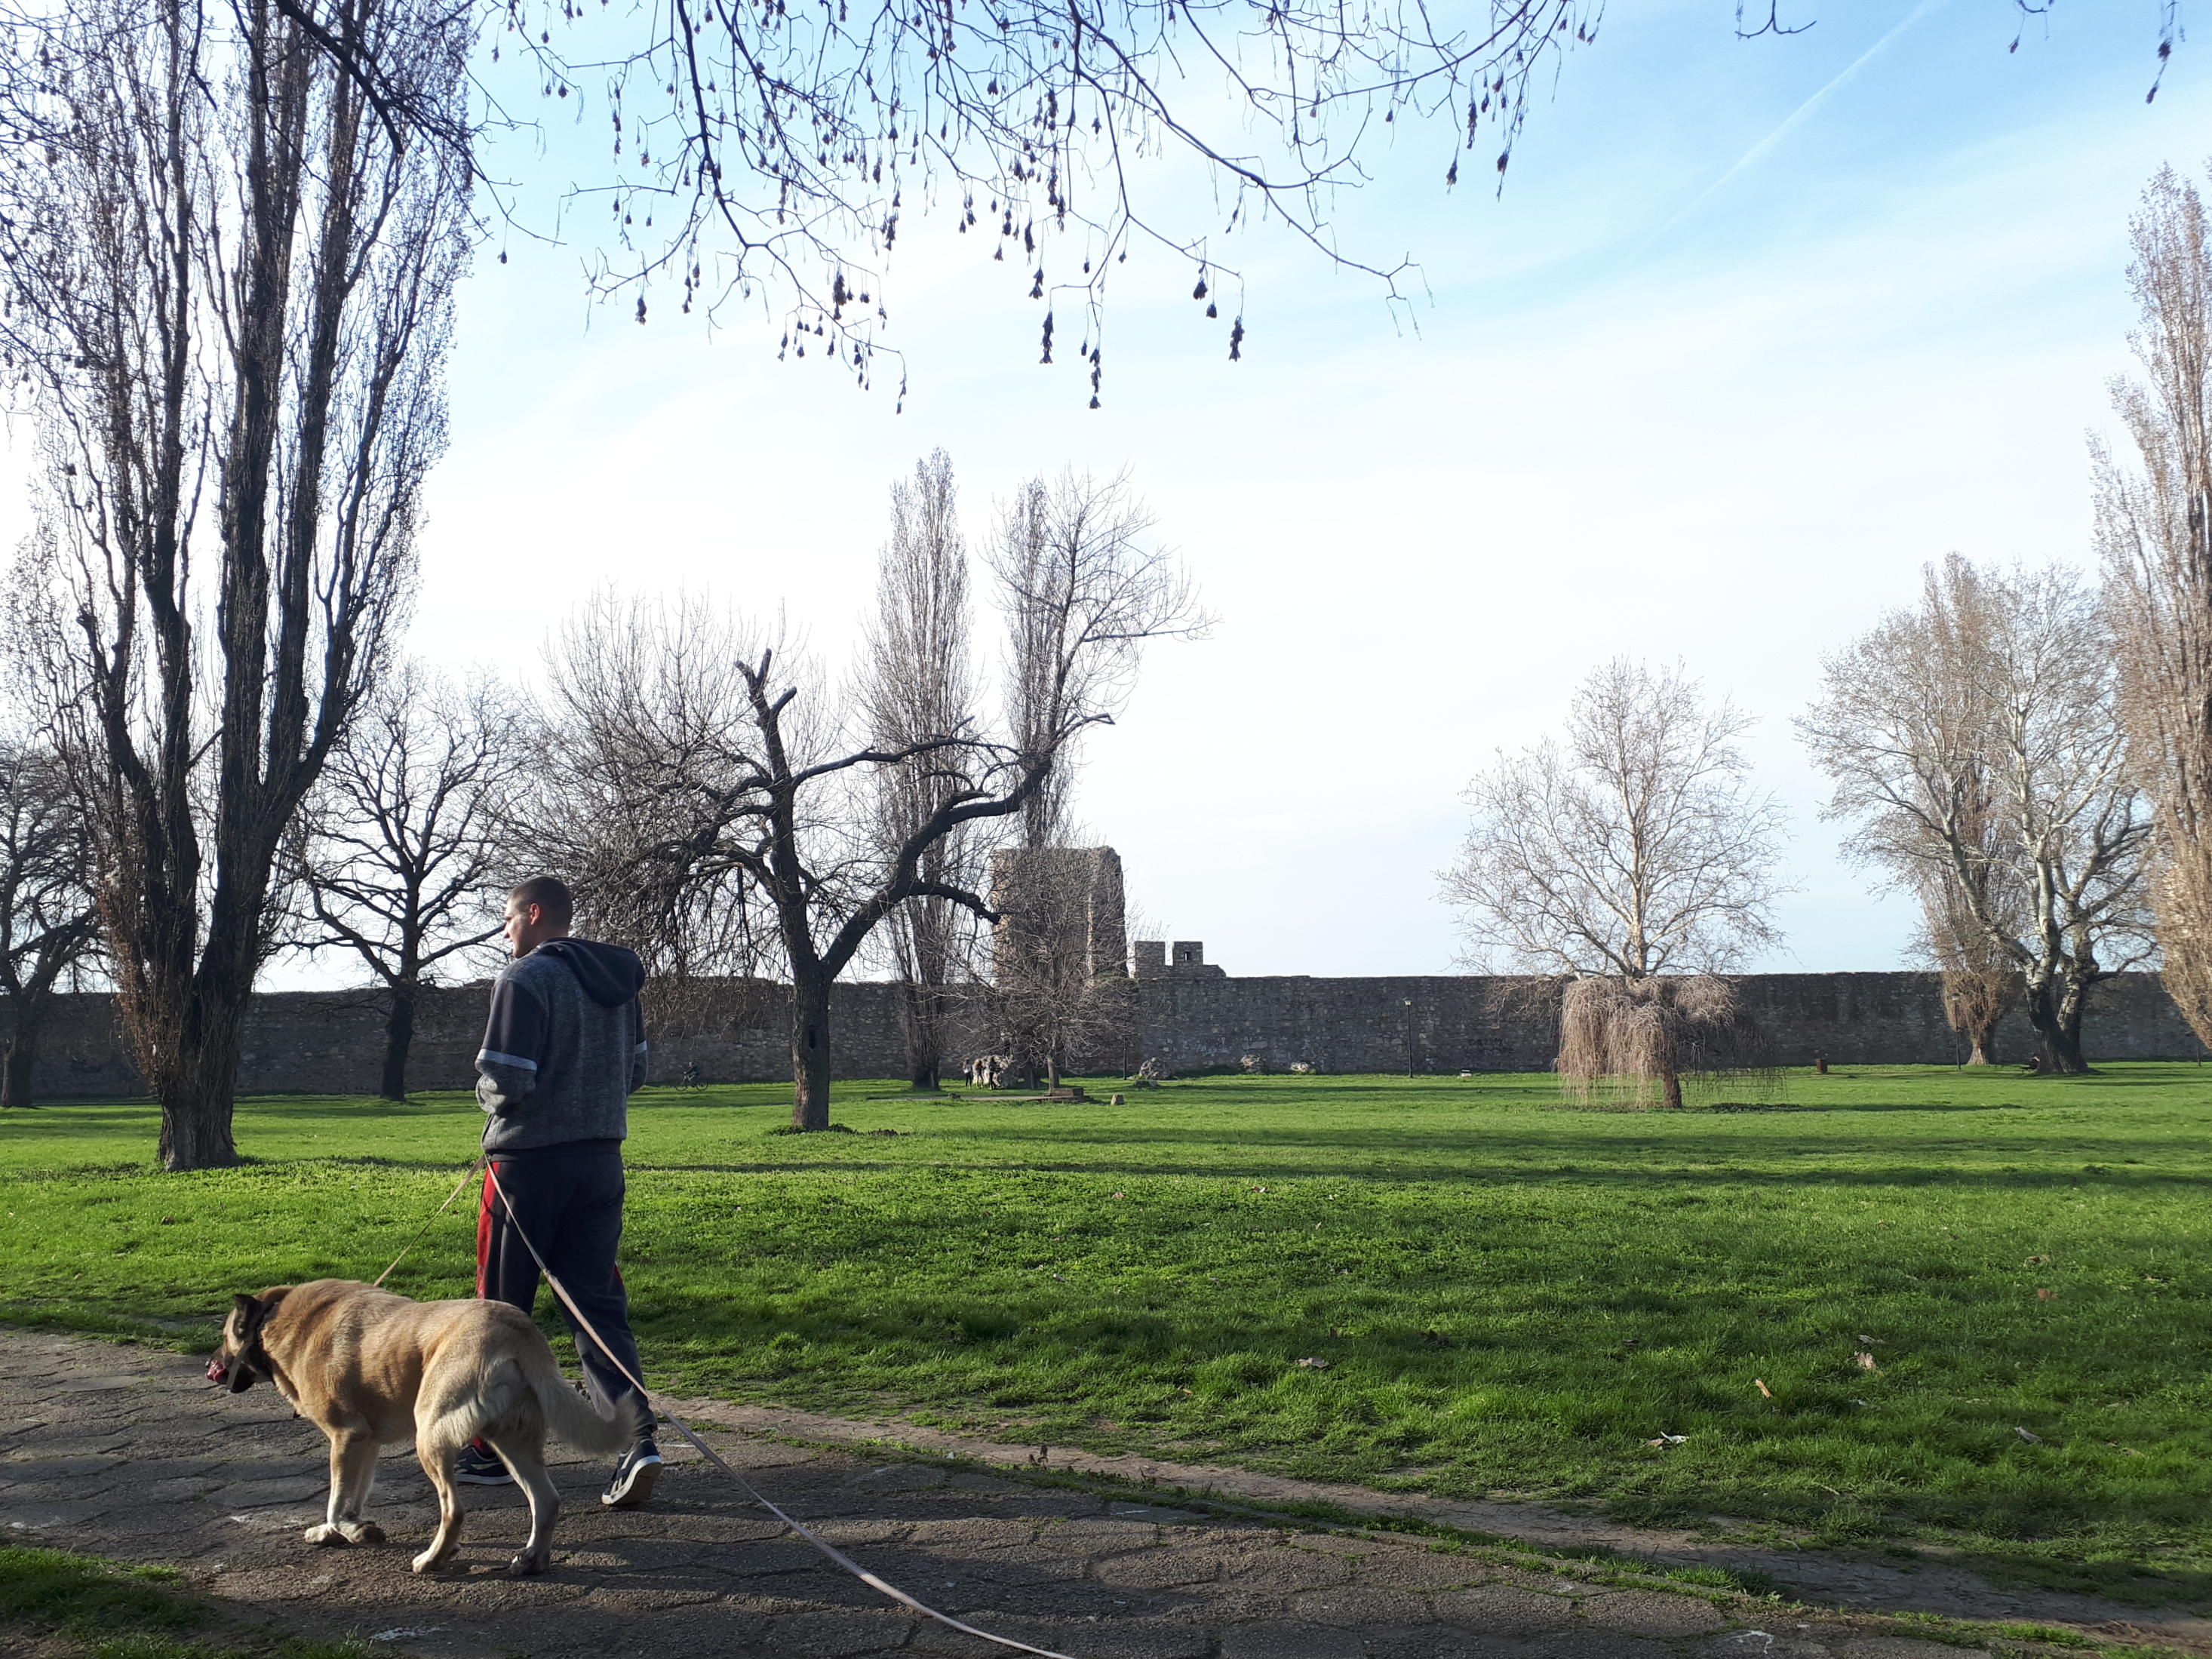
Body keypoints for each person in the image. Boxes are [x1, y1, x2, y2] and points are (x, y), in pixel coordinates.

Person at [455, 875, 661, 1509]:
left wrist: (487, 1100)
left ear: (534, 913)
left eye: (508, 917)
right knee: (597, 1306)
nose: (506, 931)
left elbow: (509, 1078)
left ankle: (490, 1451)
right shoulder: (620, 981)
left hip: (525, 1170)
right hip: (601, 1165)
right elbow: (638, 1069)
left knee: (499, 1309)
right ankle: (637, 1438)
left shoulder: (523, 980)